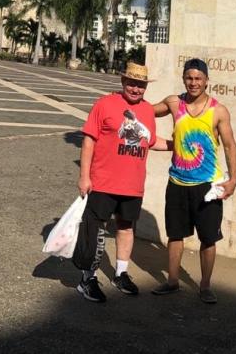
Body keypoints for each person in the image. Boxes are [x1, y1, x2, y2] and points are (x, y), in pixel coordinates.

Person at [72, 61, 170, 303]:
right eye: (132, 83)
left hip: (132, 183)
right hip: (103, 181)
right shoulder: (104, 104)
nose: (136, 89)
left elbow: (149, 140)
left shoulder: (147, 110)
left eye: (141, 85)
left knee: (126, 228)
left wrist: (175, 145)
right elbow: (89, 141)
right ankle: (88, 278)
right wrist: (84, 176)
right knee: (96, 230)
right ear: (123, 81)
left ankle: (120, 273)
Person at [150, 58, 236, 303]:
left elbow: (231, 146)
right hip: (177, 183)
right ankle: (172, 281)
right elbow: (146, 111)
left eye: (198, 78)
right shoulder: (173, 102)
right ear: (183, 79)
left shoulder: (218, 111)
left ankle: (205, 286)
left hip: (207, 186)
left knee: (208, 238)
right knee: (175, 235)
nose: (193, 83)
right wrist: (124, 99)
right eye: (189, 78)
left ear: (207, 81)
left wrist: (232, 181)